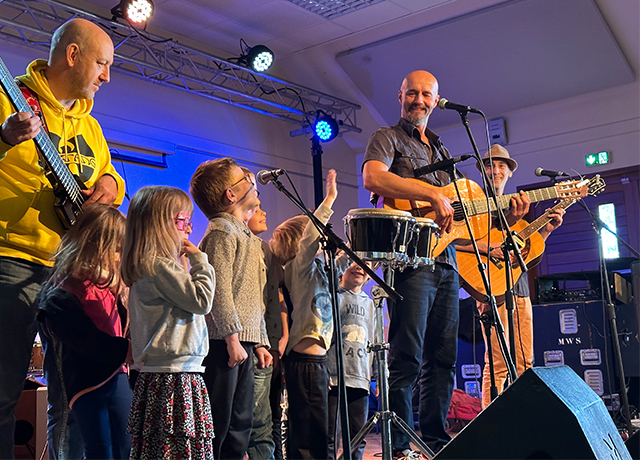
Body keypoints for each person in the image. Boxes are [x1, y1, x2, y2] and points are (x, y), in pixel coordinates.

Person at [0, 17, 125, 459]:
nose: (107, 75)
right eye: (102, 63)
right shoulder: (6, 96)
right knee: (4, 394)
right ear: (72, 55)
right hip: (9, 261)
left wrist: (111, 185)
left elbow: (109, 174)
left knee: (73, 399)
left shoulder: (90, 125)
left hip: (70, 272)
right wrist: (3, 138)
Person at [361, 70, 458, 458]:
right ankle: (399, 448)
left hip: (447, 262)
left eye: (426, 95)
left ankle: (435, 443)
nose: (419, 100)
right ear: (400, 95)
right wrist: (432, 193)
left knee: (443, 359)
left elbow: (459, 212)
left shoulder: (443, 150)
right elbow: (373, 178)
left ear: (437, 100)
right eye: (412, 93)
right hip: (409, 261)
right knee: (407, 357)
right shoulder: (386, 138)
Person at [456, 145, 564, 409]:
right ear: (482, 170)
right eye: (491, 165)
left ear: (510, 173)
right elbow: (453, 240)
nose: (496, 170)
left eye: (502, 166)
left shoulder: (518, 210)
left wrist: (546, 230)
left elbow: (526, 251)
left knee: (526, 362)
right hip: (493, 289)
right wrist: (488, 247)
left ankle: (524, 422)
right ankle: (493, 431)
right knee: (498, 364)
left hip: (521, 289)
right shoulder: (473, 206)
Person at [122, 185, 216, 459]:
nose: (188, 229)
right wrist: (200, 260)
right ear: (158, 225)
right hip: (173, 377)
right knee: (176, 450)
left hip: (174, 373)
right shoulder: (159, 265)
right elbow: (201, 300)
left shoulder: (155, 265)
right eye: (182, 221)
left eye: (189, 221)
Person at [37, 204, 132, 459]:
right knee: (99, 446)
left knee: (125, 441)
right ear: (95, 244)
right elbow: (83, 337)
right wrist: (124, 350)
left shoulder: (111, 286)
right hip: (87, 380)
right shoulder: (66, 289)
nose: (118, 256)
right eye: (116, 249)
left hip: (117, 374)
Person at [190, 158, 271, 460]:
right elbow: (218, 292)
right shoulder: (222, 234)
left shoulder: (247, 236)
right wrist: (232, 339)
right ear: (231, 195)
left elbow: (253, 298)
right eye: (244, 179)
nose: (252, 180)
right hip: (224, 344)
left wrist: (260, 340)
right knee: (220, 423)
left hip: (245, 342)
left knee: (242, 424)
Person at [269, 169, 348, 459]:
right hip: (303, 361)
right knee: (307, 431)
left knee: (321, 430)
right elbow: (308, 243)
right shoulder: (298, 270)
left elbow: (345, 261)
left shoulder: (321, 271)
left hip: (319, 361)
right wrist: (328, 201)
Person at [246, 204, 288, 460]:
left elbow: (278, 296)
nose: (263, 212)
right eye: (256, 208)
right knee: (257, 416)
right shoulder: (246, 248)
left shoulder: (267, 252)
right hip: (256, 343)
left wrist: (283, 334)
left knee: (274, 411)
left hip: (273, 342)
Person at [327, 262, 375, 460]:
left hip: (360, 378)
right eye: (354, 263)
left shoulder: (371, 305)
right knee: (330, 435)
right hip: (335, 377)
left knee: (358, 435)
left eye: (367, 265)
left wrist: (379, 376)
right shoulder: (333, 297)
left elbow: (374, 339)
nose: (360, 267)